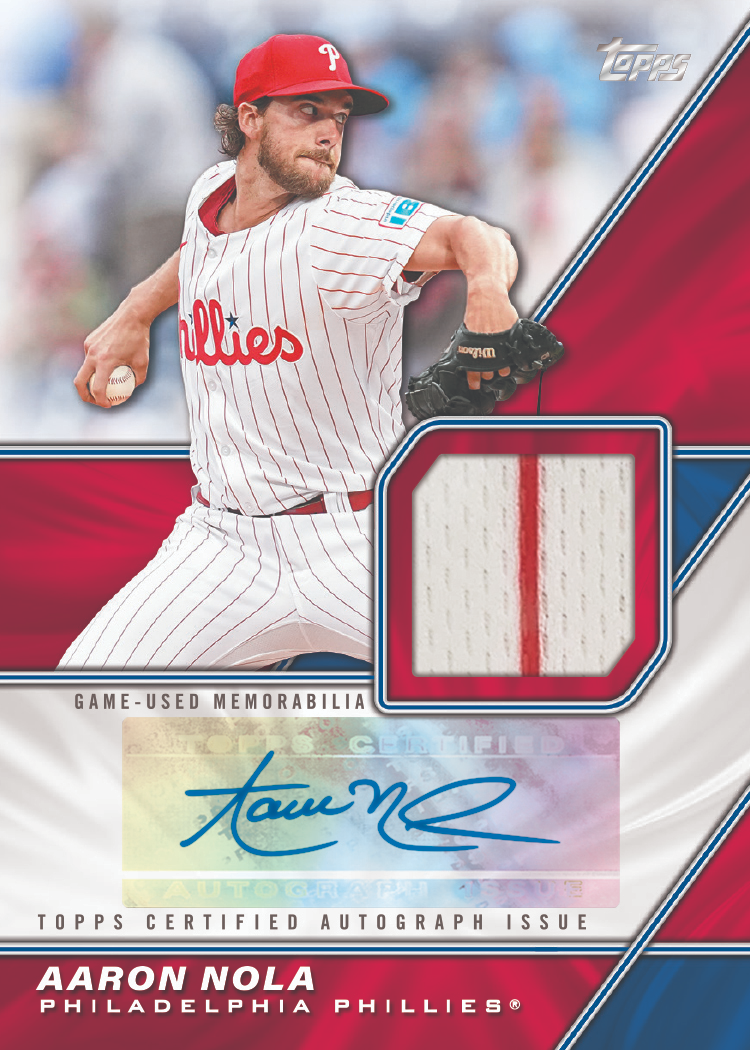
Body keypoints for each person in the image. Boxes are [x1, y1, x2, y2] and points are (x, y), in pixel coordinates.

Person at [59, 33, 519, 671]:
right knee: (78, 696)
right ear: (249, 119)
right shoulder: (212, 191)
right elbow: (201, 249)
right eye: (307, 111)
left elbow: (474, 235)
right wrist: (135, 311)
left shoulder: (342, 226)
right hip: (221, 545)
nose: (329, 133)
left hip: (351, 541)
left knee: (522, 687)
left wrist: (488, 290)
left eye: (339, 117)